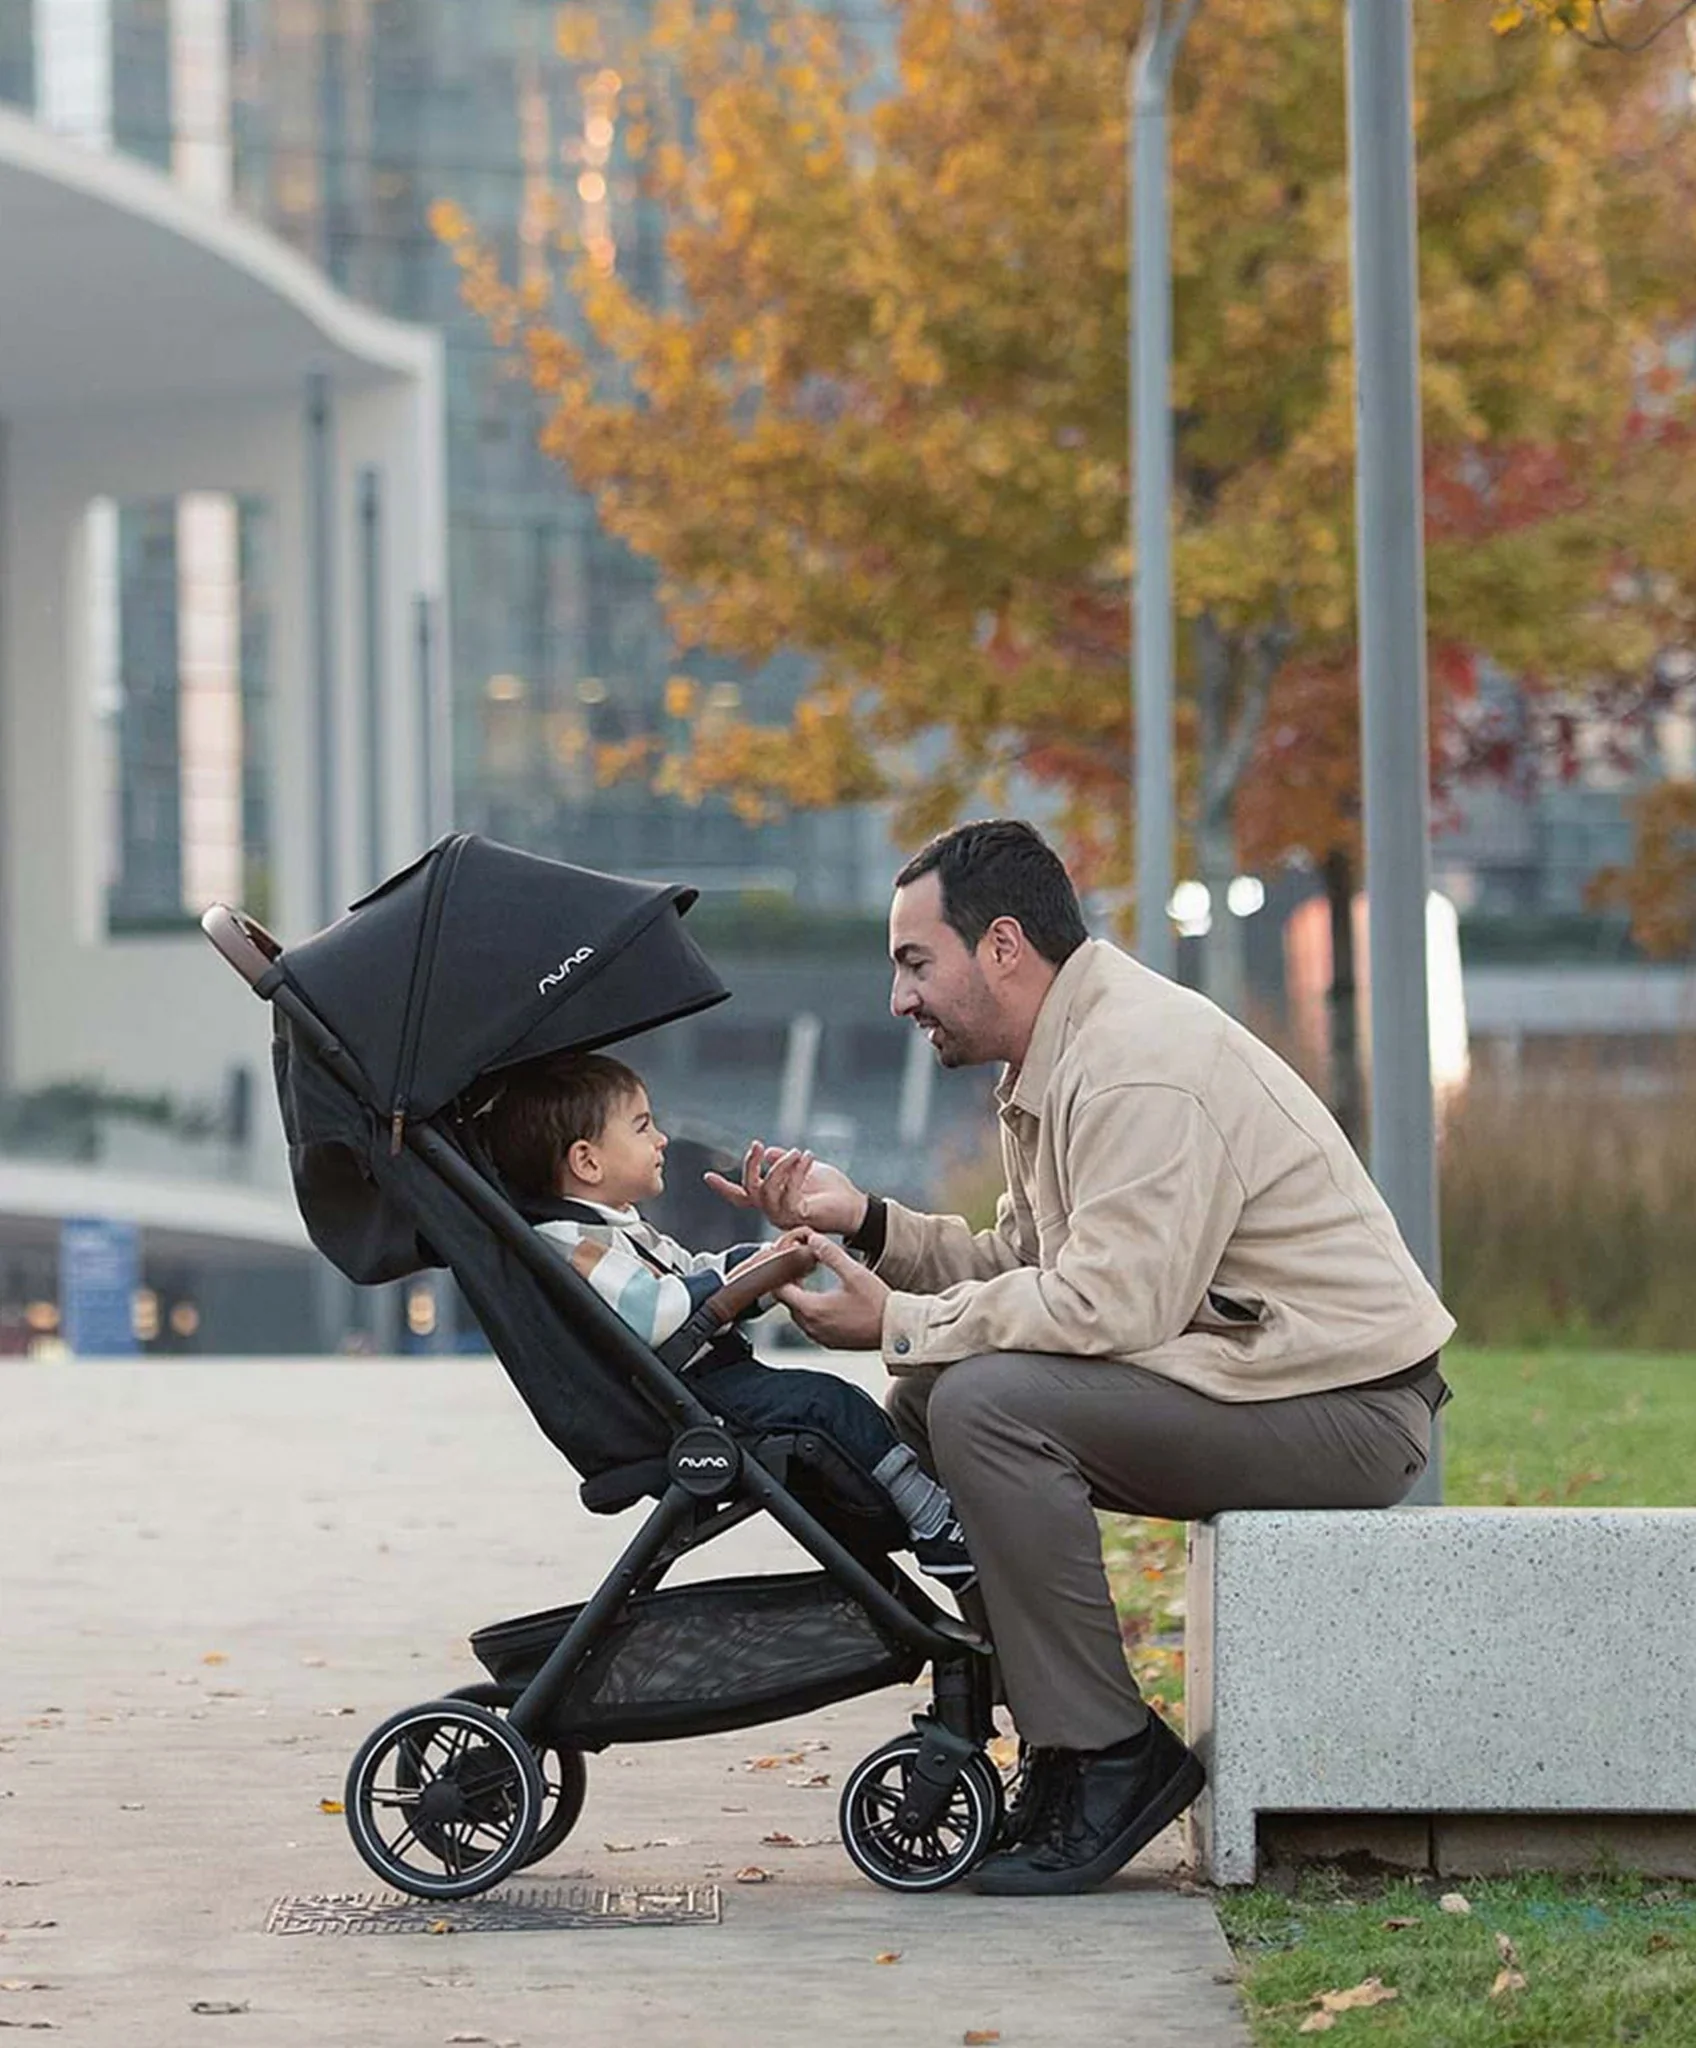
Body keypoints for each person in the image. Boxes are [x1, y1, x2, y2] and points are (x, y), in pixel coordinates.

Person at [706, 818, 1456, 1896]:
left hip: (1339, 1405)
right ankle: (1043, 1733)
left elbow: (1112, 1302)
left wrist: (898, 1323)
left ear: (1002, 945)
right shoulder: (1066, 1051)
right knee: (928, 1402)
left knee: (982, 1403)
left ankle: (1109, 1752)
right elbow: (1022, 1262)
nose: (898, 998)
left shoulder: (1135, 1066)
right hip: (1250, 1379)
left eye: (915, 962)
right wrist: (867, 1222)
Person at [483, 1050, 976, 1589]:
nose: (662, 1139)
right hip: (689, 1399)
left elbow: (693, 1274)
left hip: (703, 1384)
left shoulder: (617, 1229)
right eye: (643, 1126)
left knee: (840, 1404)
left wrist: (765, 1267)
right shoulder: (574, 1245)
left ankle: (919, 1516)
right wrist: (745, 1278)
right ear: (587, 1162)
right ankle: (936, 1527)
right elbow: (653, 1311)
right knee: (828, 1404)